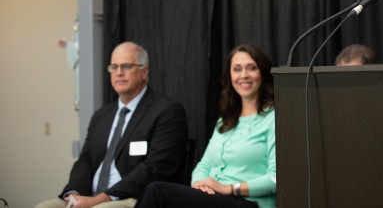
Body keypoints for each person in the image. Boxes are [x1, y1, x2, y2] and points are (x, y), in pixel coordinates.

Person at [35, 42, 188, 208]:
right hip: (88, 196)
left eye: (127, 66)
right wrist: (74, 193)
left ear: (144, 72)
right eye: (114, 67)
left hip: (134, 198)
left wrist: (98, 200)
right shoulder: (101, 116)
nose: (119, 73)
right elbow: (85, 161)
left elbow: (154, 169)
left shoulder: (167, 111)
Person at [134, 44, 276, 208]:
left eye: (251, 68)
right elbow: (205, 164)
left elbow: (277, 178)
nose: (243, 75)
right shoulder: (226, 120)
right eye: (237, 69)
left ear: (263, 73)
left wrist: (229, 189)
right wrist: (200, 185)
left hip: (251, 203)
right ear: (229, 76)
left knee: (157, 192)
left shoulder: (274, 118)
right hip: (215, 199)